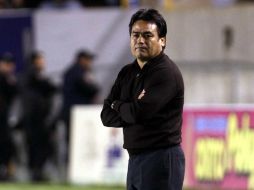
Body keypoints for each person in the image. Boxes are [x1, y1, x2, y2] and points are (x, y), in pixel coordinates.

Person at [101, 9, 185, 190]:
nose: (140, 40)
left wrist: (118, 104)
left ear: (162, 41)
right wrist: (129, 109)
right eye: (135, 35)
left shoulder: (165, 73)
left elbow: (138, 113)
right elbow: (106, 115)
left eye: (147, 35)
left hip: (161, 159)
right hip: (135, 159)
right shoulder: (127, 72)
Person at [19, 51, 57, 181]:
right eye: (41, 60)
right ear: (35, 61)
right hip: (34, 118)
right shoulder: (32, 74)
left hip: (35, 118)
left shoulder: (32, 76)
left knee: (39, 147)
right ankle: (36, 173)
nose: (43, 62)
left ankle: (36, 172)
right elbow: (49, 87)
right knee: (40, 146)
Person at [61, 49, 99, 160]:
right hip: (76, 113)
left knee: (72, 141)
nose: (90, 63)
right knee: (76, 141)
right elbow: (90, 88)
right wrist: (94, 88)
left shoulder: (71, 71)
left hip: (72, 112)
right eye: (88, 60)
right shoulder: (77, 71)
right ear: (82, 60)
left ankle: (72, 166)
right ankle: (73, 166)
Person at [0, 52, 17, 180]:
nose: (8, 66)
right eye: (6, 63)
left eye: (10, 64)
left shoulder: (9, 79)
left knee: (7, 144)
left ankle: (5, 170)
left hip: (4, 119)